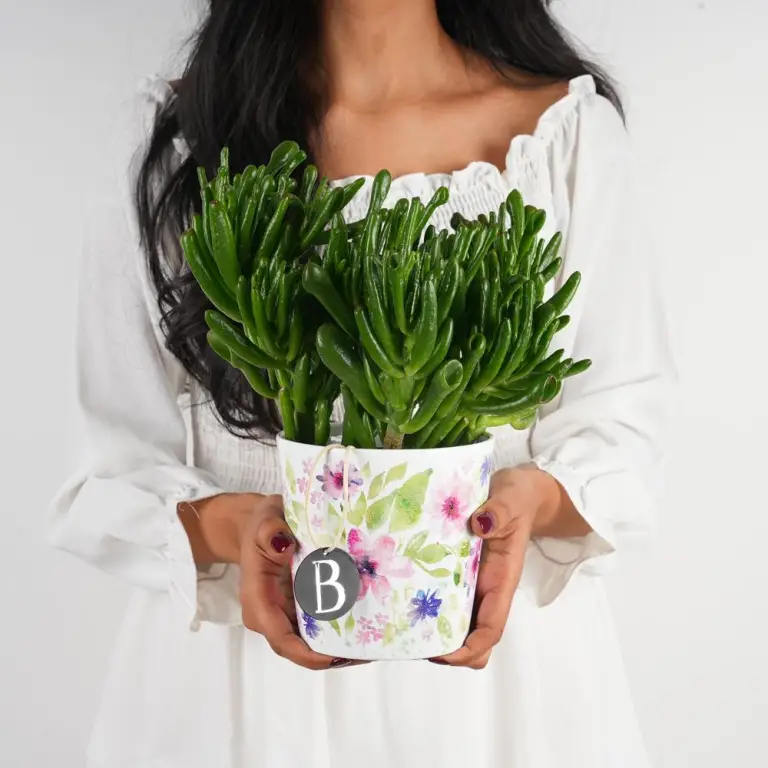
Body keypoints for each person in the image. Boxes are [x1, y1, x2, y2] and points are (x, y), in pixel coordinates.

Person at [48, 1, 675, 766]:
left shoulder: (564, 135)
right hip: (237, 693)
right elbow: (113, 463)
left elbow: (621, 427)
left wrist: (530, 501)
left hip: (498, 696)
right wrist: (241, 530)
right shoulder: (179, 141)